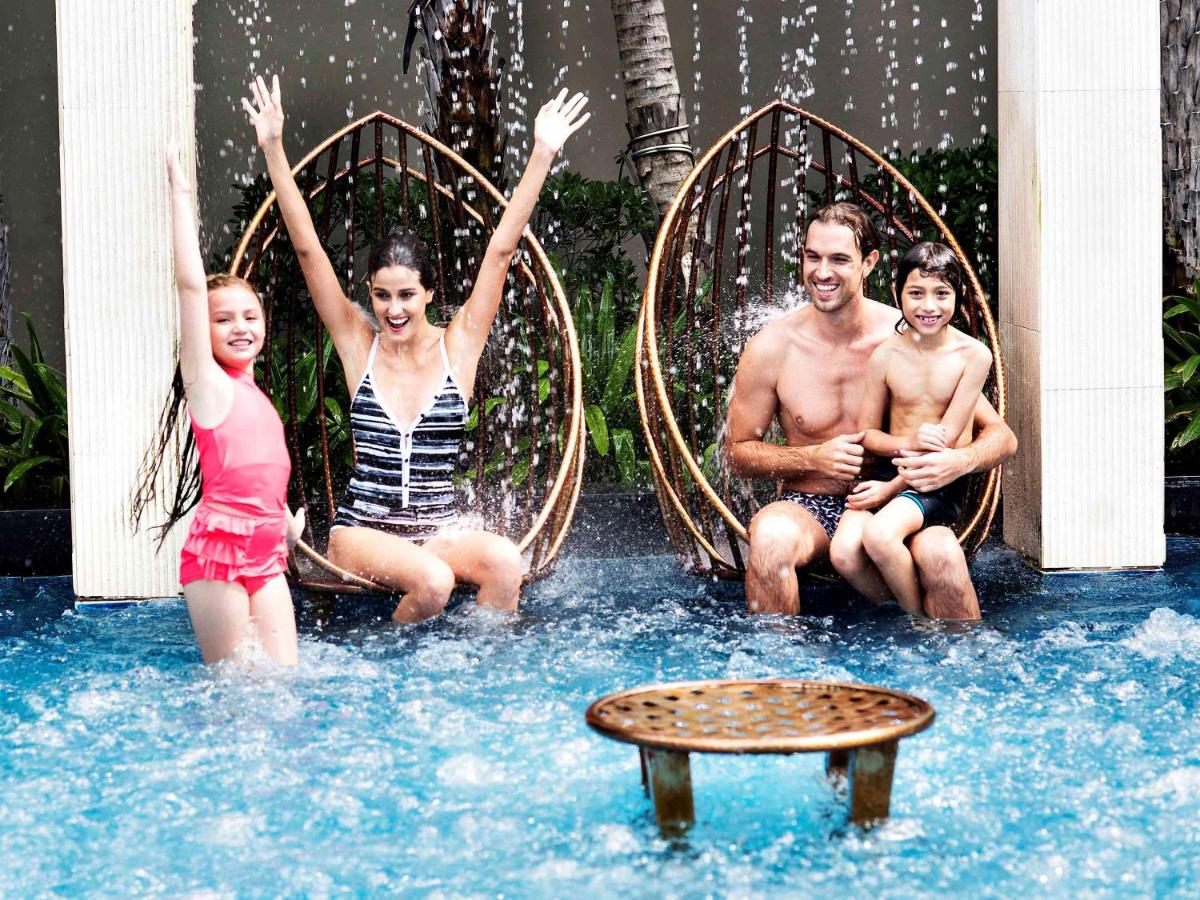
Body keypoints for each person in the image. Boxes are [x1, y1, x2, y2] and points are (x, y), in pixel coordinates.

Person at [242, 75, 589, 623]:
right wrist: (273, 148)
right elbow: (308, 251)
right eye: (382, 296)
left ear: (429, 293)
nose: (393, 309)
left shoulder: (458, 347)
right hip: (362, 534)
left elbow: (501, 252)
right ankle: (395, 666)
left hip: (436, 532)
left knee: (505, 563)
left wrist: (543, 152)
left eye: (406, 295)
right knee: (433, 581)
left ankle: (479, 665)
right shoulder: (360, 346)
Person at [725, 202, 1016, 620]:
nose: (822, 272)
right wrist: (812, 458)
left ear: (869, 263)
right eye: (812, 257)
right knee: (770, 540)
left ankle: (958, 657)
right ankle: (779, 660)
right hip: (812, 504)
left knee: (942, 555)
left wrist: (958, 462)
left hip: (901, 501)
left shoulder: (910, 334)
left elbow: (999, 435)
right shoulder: (771, 347)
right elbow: (738, 453)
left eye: (839, 259)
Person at [132, 145, 304, 665]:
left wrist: (286, 527)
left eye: (250, 316)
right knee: (233, 685)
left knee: (282, 678)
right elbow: (190, 286)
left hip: (268, 551)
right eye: (223, 319)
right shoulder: (207, 383)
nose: (240, 327)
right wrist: (181, 195)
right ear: (202, 333)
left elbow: (259, 474)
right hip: (218, 553)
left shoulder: (258, 398)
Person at [830, 243, 992, 614]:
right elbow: (869, 435)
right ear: (897, 293)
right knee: (843, 553)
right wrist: (907, 442)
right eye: (916, 293)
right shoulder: (886, 355)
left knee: (880, 535)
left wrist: (890, 490)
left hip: (935, 479)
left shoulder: (973, 356)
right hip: (891, 471)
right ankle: (904, 602)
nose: (928, 306)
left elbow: (946, 442)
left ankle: (915, 619)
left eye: (941, 294)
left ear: (958, 295)